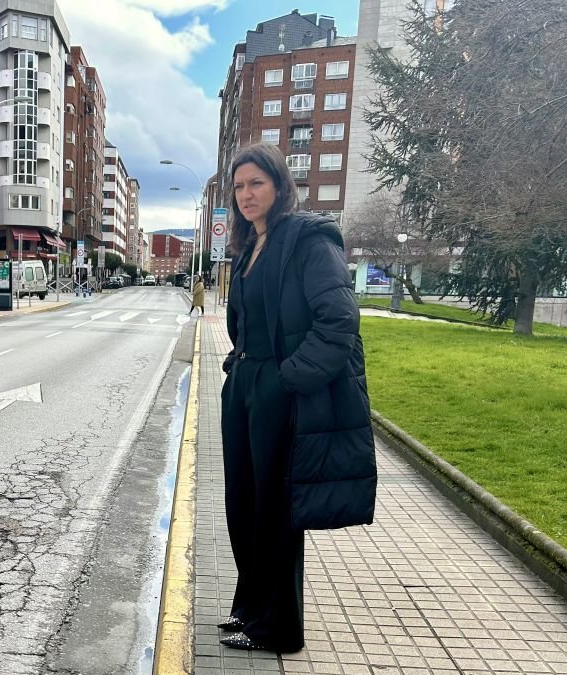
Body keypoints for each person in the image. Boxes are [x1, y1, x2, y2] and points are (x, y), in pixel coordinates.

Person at [218, 143, 377, 653]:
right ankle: (251, 607)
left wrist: (289, 380)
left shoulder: (309, 240)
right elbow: (249, 322)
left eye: (256, 183)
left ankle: (279, 628)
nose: (246, 194)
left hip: (279, 390)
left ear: (280, 186)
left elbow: (339, 321)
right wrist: (237, 366)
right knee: (243, 504)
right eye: (239, 187)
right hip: (245, 387)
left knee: (275, 509)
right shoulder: (249, 247)